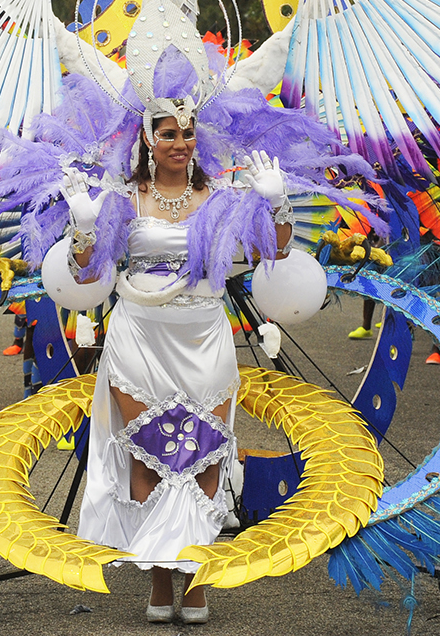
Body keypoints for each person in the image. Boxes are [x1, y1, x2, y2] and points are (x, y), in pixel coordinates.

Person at [66, 116, 295, 624]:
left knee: (203, 453)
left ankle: (194, 577)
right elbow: (86, 271)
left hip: (203, 334)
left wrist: (276, 202)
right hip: (139, 335)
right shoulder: (124, 197)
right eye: (167, 133)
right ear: (148, 138)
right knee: (150, 453)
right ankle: (159, 578)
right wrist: (83, 223)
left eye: (187, 133)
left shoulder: (222, 196)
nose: (179, 143)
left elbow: (272, 252)